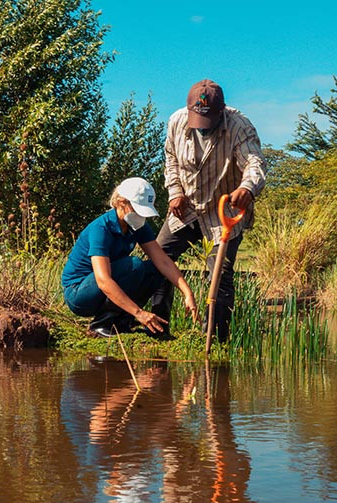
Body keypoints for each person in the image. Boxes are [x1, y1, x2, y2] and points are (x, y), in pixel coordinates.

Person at [151, 79, 266, 341]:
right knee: (158, 261)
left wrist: (247, 188)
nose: (202, 128)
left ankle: (214, 338)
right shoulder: (177, 122)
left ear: (222, 111)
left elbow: (255, 163)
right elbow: (170, 160)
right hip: (186, 206)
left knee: (221, 275)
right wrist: (175, 193)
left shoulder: (239, 127)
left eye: (208, 120)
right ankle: (158, 330)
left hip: (222, 211)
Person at [61, 177, 198, 338]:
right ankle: (101, 325)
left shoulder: (137, 226)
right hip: (79, 294)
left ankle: (153, 328)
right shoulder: (101, 229)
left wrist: (187, 292)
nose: (141, 216)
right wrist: (139, 313)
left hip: (105, 286)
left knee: (157, 270)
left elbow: (163, 262)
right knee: (134, 265)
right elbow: (103, 280)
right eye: (137, 209)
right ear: (121, 202)